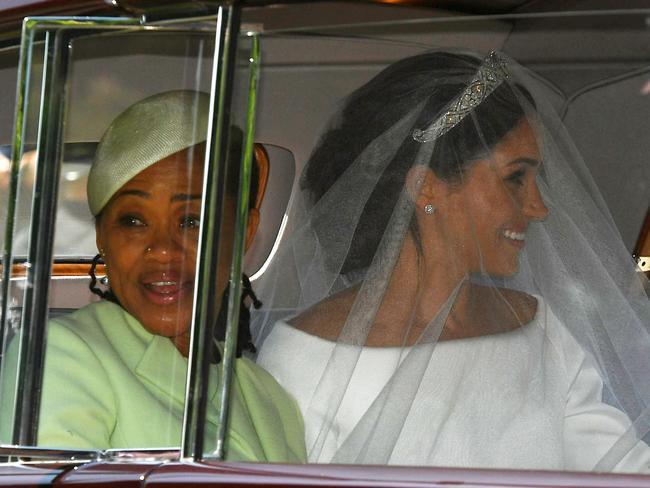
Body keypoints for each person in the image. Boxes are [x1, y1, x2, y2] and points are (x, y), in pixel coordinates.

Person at [252, 51, 650, 471]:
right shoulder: (303, 357)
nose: (538, 208)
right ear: (425, 187)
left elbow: (622, 470)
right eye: (516, 177)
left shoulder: (543, 330)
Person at [0, 90, 306, 463]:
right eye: (133, 221)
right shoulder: (60, 355)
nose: (162, 249)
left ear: (245, 231)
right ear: (102, 236)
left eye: (192, 221)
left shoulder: (268, 399)